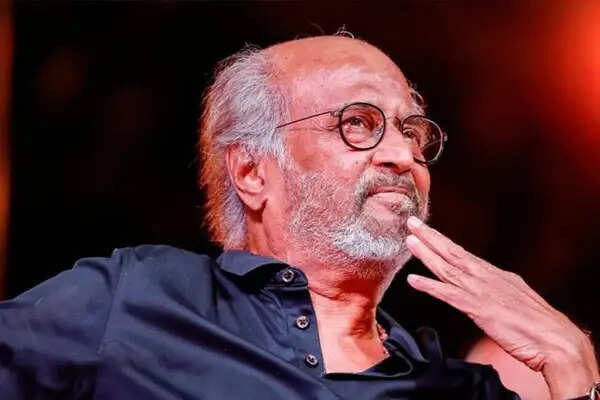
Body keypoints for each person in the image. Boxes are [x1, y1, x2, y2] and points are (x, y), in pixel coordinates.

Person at [0, 34, 598, 399]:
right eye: (358, 123)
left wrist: (572, 367)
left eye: (413, 132)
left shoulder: (458, 391)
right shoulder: (135, 301)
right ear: (252, 171)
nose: (402, 154)